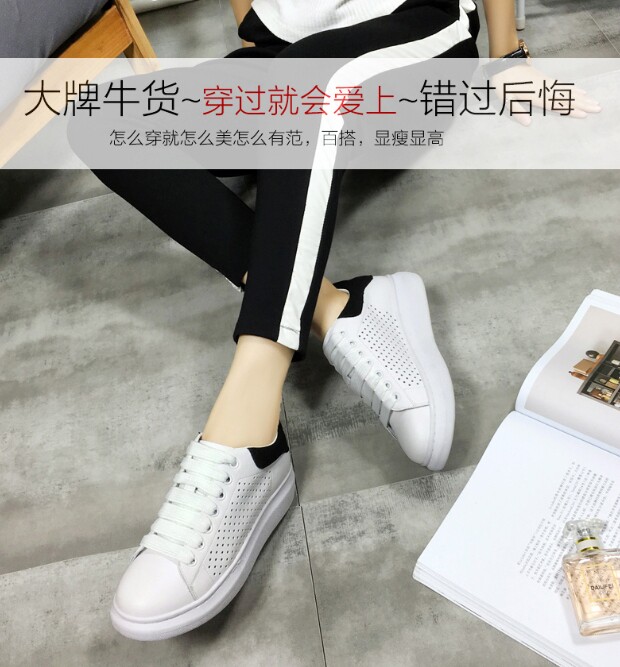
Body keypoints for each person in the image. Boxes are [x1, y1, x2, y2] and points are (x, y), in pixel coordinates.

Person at [82, 0, 599, 641]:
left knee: (307, 81)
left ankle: (245, 432)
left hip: (416, 38)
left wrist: (507, 56)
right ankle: (337, 306)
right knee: (104, 118)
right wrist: (260, 37)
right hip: (292, 53)